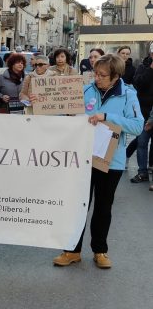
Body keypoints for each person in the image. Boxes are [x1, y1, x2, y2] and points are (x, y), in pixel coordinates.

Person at [53, 54, 143, 269]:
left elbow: (137, 126)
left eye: (103, 75)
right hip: (82, 159)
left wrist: (107, 117)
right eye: (96, 73)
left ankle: (100, 250)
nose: (97, 78)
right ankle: (72, 250)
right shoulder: (85, 90)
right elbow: (66, 115)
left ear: (115, 77)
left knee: (103, 207)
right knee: (78, 207)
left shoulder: (128, 94)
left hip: (111, 161)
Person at [129, 44, 153, 183]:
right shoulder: (143, 67)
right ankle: (142, 172)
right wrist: (150, 70)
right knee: (142, 142)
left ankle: (150, 169)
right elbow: (138, 84)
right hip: (144, 112)